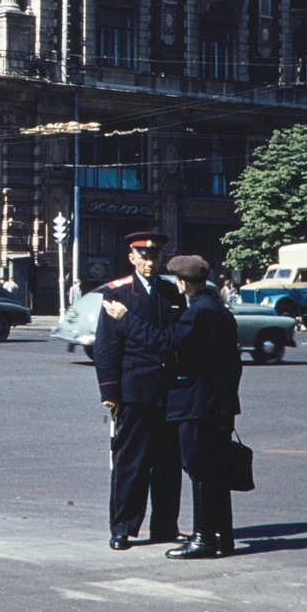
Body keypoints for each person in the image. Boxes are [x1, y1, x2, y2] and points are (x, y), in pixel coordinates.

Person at [102, 254, 242, 558]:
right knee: (214, 470)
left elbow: (163, 341)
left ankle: (203, 537)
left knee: (198, 469)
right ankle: (222, 537)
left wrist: (125, 319)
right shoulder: (221, 310)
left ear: (181, 282)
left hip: (193, 403)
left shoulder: (197, 313)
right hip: (218, 404)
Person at [94, 230, 184, 551]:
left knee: (168, 465)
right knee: (130, 463)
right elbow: (106, 347)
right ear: (132, 257)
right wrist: (109, 391)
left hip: (168, 393)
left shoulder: (172, 292)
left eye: (155, 256)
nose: (150, 262)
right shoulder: (117, 292)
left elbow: (177, 340)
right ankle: (122, 527)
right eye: (144, 256)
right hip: (134, 391)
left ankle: (165, 526)